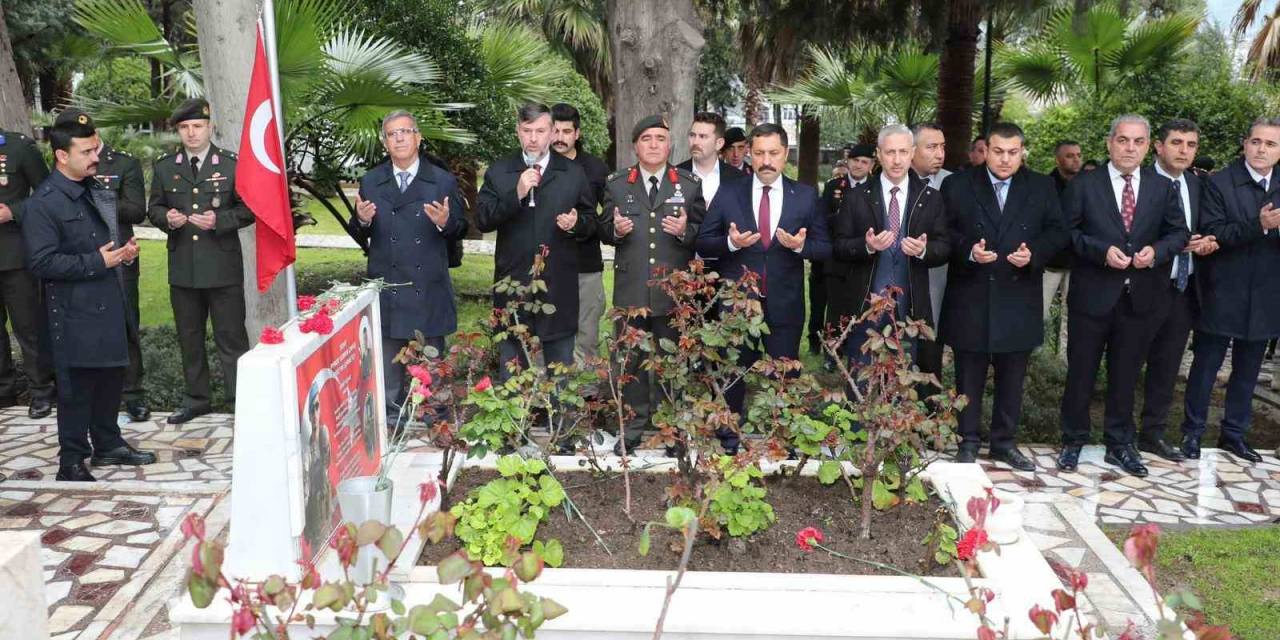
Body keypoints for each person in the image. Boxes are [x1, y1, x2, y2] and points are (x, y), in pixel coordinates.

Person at [21, 114, 156, 482]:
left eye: (95, 148)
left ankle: (108, 444)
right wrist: (98, 260)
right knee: (77, 388)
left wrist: (121, 253)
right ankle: (72, 460)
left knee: (111, 377)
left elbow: (104, 241)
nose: (96, 156)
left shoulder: (94, 188)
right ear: (62, 156)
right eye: (86, 151)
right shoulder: (44, 204)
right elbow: (41, 262)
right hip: (73, 311)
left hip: (108, 300)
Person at [1057, 114, 1188, 477]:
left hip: (1141, 297)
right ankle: (1073, 440)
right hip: (1093, 296)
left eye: (1138, 142)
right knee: (1081, 372)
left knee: (1126, 375)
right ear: (1109, 142)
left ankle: (1120, 444)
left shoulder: (1163, 188)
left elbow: (1178, 233)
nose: (1130, 148)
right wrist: (1100, 251)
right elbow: (1066, 234)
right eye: (1123, 140)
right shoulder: (1085, 185)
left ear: (1148, 146)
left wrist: (1157, 253)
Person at [940, 122, 1068, 471]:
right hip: (971, 293)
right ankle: (967, 441)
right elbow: (942, 231)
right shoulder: (959, 184)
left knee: (1013, 376)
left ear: (1023, 151)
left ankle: (1003, 443)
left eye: (1013, 152)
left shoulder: (1041, 186)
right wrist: (968, 250)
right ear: (985, 150)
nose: (1005, 159)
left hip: (1018, 293)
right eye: (998, 151)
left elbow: (1058, 232)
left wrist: (1034, 254)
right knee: (968, 375)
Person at [696, 123, 831, 453]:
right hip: (739, 305)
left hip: (785, 305)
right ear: (749, 155)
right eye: (759, 153)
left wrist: (801, 247)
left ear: (786, 154)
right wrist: (730, 242)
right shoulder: (730, 192)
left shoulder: (806, 196)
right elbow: (703, 240)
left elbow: (825, 247)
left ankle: (783, 439)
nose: (766, 160)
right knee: (733, 374)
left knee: (784, 377)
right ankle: (729, 440)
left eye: (773, 153)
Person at [598, 115, 706, 453]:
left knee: (670, 361)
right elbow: (602, 228)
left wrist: (685, 232)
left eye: (661, 138)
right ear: (636, 146)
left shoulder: (688, 184)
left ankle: (671, 429)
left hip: (671, 290)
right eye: (647, 139)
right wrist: (616, 230)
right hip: (631, 288)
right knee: (629, 361)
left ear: (670, 144)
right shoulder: (618, 183)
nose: (655, 144)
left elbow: (703, 231)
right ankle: (631, 427)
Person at [352, 110, 468, 425]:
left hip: (427, 284)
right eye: (392, 134)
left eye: (405, 132)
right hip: (388, 283)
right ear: (385, 142)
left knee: (431, 362)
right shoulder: (372, 180)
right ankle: (389, 418)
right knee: (388, 362)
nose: (399, 138)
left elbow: (460, 226)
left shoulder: (441, 179)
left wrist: (445, 222)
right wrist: (362, 219)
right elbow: (359, 230)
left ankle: (435, 418)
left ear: (418, 137)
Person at [147, 98, 254, 424]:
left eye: (197, 126)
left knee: (231, 337)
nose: (191, 133)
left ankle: (240, 400)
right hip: (184, 268)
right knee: (189, 337)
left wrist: (219, 221)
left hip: (222, 267)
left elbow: (249, 209)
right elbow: (154, 209)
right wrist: (169, 218)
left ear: (210, 127)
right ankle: (196, 399)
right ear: (178, 131)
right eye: (184, 127)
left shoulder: (232, 164)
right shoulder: (166, 166)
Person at [1180, 117, 1280, 464]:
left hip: (1268, 294)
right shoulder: (1219, 182)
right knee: (1206, 366)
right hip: (1222, 289)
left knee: (1248, 371)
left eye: (1270, 144)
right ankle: (1191, 434)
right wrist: (1260, 225)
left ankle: (1234, 435)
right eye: (1256, 142)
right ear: (1244, 144)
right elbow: (1214, 232)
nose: (1261, 149)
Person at [476, 103, 595, 380]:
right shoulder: (500, 170)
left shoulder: (572, 172)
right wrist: (516, 193)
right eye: (527, 130)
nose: (533, 138)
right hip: (513, 283)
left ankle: (559, 422)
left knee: (560, 371)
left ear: (553, 132)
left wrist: (576, 223)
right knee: (513, 367)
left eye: (540, 131)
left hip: (558, 284)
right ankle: (516, 421)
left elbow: (592, 222)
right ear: (518, 131)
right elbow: (483, 219)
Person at [825, 124, 950, 384]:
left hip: (910, 310)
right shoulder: (856, 197)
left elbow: (945, 247)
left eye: (903, 152)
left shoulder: (931, 198)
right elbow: (838, 246)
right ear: (879, 155)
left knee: (902, 387)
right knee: (861, 384)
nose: (896, 159)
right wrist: (867, 245)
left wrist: (924, 250)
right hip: (864, 308)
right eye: (890, 152)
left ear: (912, 153)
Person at [54, 109, 151, 423]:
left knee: (125, 327)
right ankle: (91, 400)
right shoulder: (61, 165)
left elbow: (137, 210)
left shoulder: (123, 163)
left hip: (120, 255)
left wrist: (97, 197)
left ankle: (133, 395)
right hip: (80, 259)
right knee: (83, 331)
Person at [1138, 119, 1215, 462]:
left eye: (1191, 145)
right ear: (1159, 146)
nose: (1184, 150)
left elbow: (1206, 228)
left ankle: (1152, 434)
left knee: (1167, 366)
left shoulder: (1197, 185)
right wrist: (1168, 245)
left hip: (1184, 288)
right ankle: (1119, 434)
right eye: (1177, 143)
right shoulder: (1139, 182)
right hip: (1145, 286)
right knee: (1128, 364)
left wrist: (1207, 242)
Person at [0, 123, 56, 420]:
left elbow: (48, 192)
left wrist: (15, 211)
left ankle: (41, 391)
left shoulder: (18, 147)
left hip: (15, 255)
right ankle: (4, 391)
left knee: (28, 328)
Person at [550, 103, 610, 369]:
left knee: (586, 335)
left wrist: (580, 223)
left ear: (578, 133)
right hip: (546, 264)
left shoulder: (596, 170)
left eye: (566, 131)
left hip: (585, 264)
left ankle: (586, 399)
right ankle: (543, 400)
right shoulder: (536, 166)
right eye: (555, 130)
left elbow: (605, 220)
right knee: (546, 332)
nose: (560, 138)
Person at [811, 143, 873, 356]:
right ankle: (832, 354)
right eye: (855, 160)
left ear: (871, 165)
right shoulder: (834, 186)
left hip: (865, 257)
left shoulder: (876, 187)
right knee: (835, 309)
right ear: (848, 162)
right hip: (837, 257)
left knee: (860, 309)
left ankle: (857, 352)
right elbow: (821, 219)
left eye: (864, 162)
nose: (858, 165)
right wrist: (844, 219)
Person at [1044, 140, 1083, 361]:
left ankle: (1065, 362)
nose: (1076, 159)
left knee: (1072, 316)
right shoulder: (1045, 185)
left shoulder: (1088, 184)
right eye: (1070, 155)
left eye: (1078, 154)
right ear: (1058, 159)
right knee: (1038, 313)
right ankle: (1036, 362)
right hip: (1049, 261)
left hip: (1078, 261)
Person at [911, 123, 952, 327]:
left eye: (942, 147)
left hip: (942, 271)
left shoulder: (954, 183)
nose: (940, 154)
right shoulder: (891, 183)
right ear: (911, 149)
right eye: (931, 147)